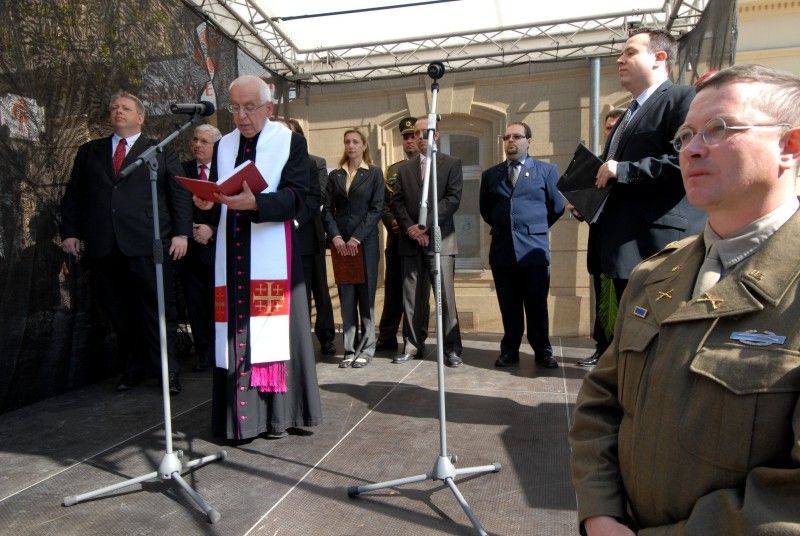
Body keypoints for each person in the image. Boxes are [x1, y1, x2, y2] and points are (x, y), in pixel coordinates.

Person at [569, 64, 800, 535]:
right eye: (687, 134)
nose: (692, 149)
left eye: (719, 129)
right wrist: (600, 512)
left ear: (790, 147)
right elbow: (601, 399)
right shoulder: (655, 273)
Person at [194, 75, 322, 441]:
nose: (241, 116)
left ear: (269, 108)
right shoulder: (224, 146)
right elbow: (219, 195)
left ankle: (278, 417)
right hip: (232, 253)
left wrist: (258, 203)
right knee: (234, 331)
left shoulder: (290, 143)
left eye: (249, 107)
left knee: (274, 333)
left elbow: (302, 198)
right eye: (234, 107)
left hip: (272, 257)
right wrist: (206, 202)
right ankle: (240, 420)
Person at [60, 90, 191, 394]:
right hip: (105, 246)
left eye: (126, 108)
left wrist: (181, 233)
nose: (118, 111)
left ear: (140, 116)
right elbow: (74, 195)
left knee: (157, 310)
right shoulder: (89, 151)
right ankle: (132, 369)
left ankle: (166, 372)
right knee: (118, 312)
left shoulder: (158, 150)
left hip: (149, 245)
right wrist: (70, 231)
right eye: (114, 107)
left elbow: (179, 193)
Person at [588, 27, 705, 310]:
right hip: (619, 245)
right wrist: (588, 201)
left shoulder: (683, 99)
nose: (619, 60)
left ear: (659, 58)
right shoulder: (629, 112)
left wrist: (624, 170)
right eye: (619, 54)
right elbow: (612, 172)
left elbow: (685, 160)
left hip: (655, 246)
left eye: (630, 52)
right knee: (626, 335)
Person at [479, 122, 564, 369]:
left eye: (516, 136)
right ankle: (510, 350)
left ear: (529, 141)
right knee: (509, 305)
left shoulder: (546, 171)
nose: (510, 141)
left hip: (533, 251)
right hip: (503, 250)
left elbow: (556, 207)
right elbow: (487, 210)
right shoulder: (491, 175)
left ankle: (543, 350)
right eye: (506, 137)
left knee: (537, 304)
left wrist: (533, 227)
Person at [391, 117, 463, 367]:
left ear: (437, 135)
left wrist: (426, 223)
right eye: (417, 133)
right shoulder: (405, 169)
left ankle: (451, 349)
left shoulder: (452, 164)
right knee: (412, 298)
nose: (420, 137)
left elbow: (453, 199)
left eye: (426, 132)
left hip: (441, 241)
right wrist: (412, 228)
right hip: (411, 242)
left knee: (444, 297)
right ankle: (412, 345)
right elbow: (397, 202)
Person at [321, 129, 384, 368]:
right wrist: (335, 236)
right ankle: (349, 348)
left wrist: (356, 237)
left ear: (364, 145)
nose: (350, 145)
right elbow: (326, 209)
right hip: (341, 244)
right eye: (347, 141)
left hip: (364, 243)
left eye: (355, 142)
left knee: (365, 295)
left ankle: (367, 348)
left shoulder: (374, 174)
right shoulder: (336, 175)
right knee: (347, 296)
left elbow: (376, 209)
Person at [281, 118, 337, 357]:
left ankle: (326, 337)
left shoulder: (315, 163)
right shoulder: (273, 163)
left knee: (319, 291)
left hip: (308, 234)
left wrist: (293, 221)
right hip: (281, 236)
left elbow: (318, 197)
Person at [576, 108, 625, 368]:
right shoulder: (599, 164)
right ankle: (602, 349)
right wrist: (579, 206)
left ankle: (618, 355)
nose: (611, 131)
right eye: (608, 127)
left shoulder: (624, 166)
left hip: (624, 249)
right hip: (600, 245)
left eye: (615, 126)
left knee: (622, 304)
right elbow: (593, 205)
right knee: (603, 300)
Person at [375, 116, 421, 352]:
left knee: (416, 293)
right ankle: (387, 335)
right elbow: (383, 203)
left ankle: (413, 339)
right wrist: (392, 221)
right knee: (393, 290)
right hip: (396, 239)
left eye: (413, 136)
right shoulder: (392, 170)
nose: (409, 141)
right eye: (405, 137)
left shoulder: (430, 167)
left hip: (418, 240)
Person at [179, 123, 222, 372]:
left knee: (219, 302)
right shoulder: (182, 170)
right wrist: (190, 229)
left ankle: (222, 349)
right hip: (191, 249)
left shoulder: (224, 170)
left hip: (218, 248)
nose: (197, 145)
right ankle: (204, 352)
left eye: (204, 141)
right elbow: (174, 204)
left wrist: (213, 229)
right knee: (195, 303)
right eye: (195, 140)